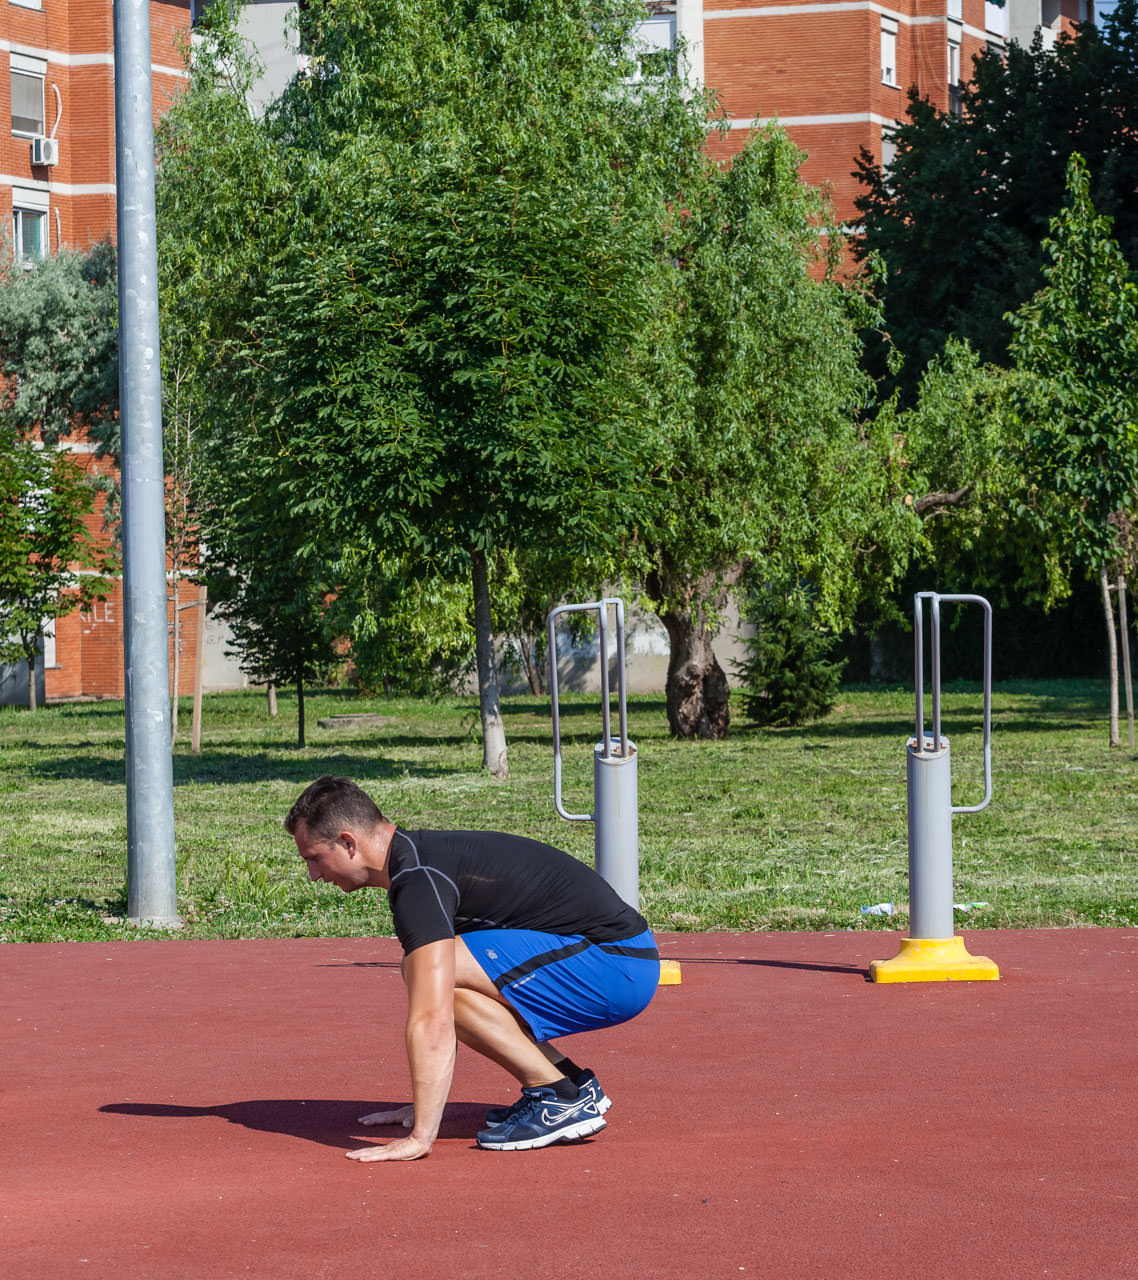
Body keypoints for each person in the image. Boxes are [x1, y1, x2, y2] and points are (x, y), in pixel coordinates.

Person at [284, 774, 659, 1160]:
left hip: (617, 965)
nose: (314, 874)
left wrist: (421, 1137)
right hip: (615, 960)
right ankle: (570, 1085)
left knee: (429, 974)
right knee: (437, 977)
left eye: (314, 858)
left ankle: (558, 1097)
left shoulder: (418, 878)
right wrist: (423, 1106)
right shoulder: (418, 862)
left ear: (348, 842)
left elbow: (431, 1019)